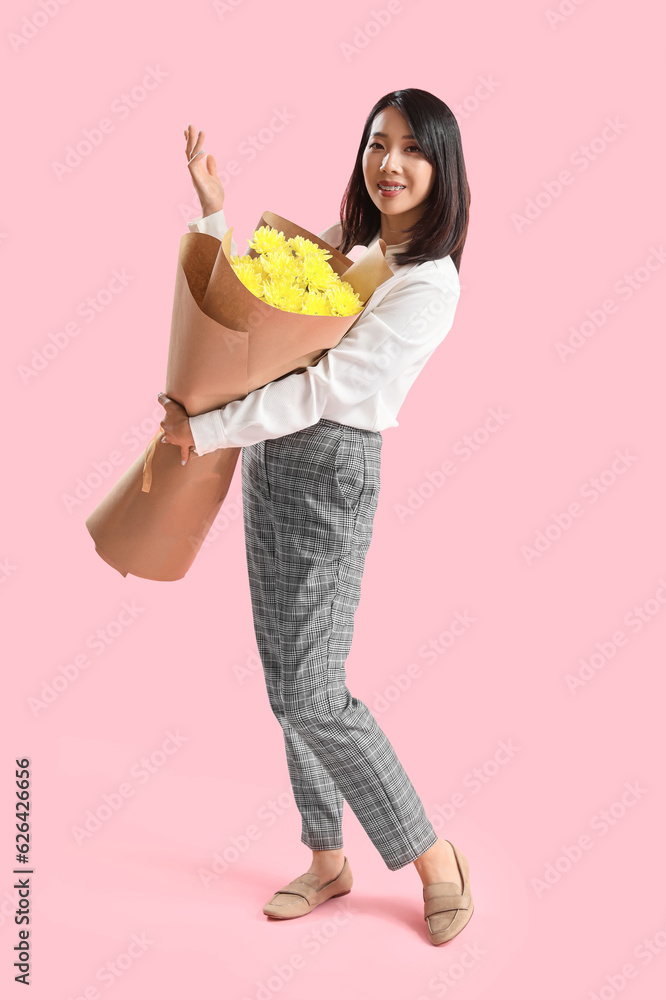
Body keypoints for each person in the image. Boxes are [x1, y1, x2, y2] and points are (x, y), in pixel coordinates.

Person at [159, 89, 474, 946]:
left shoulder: (426, 283)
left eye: (413, 149)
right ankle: (327, 855)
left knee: (313, 689)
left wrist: (208, 426)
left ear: (442, 168)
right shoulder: (352, 247)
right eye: (378, 143)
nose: (391, 163)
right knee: (282, 680)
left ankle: (434, 856)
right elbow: (258, 306)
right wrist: (215, 214)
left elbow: (325, 388)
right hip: (273, 460)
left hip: (333, 465)